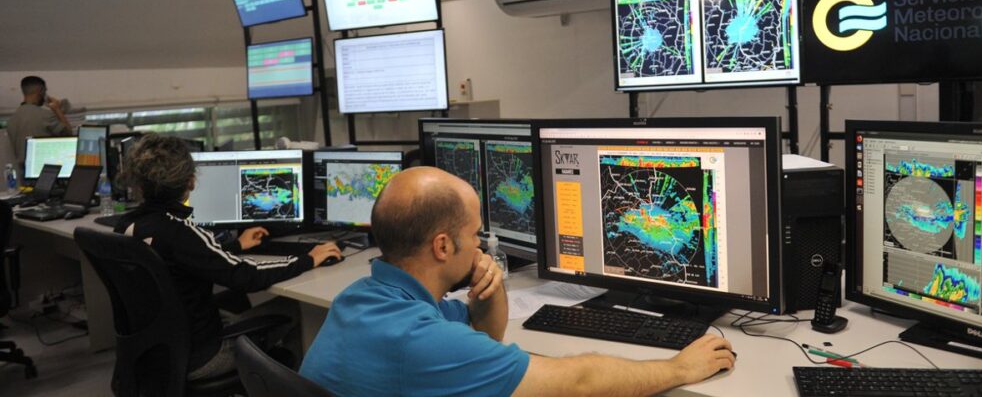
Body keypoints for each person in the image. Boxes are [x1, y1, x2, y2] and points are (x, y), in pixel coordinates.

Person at [300, 167, 735, 397]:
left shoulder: (361, 298)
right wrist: (679, 368)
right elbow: (580, 382)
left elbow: (481, 331)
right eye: (474, 235)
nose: (481, 247)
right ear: (442, 247)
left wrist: (491, 287)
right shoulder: (422, 341)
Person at [113, 133, 342, 380]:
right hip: (199, 355)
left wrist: (236, 245)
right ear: (190, 182)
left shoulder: (127, 226)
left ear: (139, 182)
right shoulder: (182, 232)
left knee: (236, 301)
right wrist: (308, 258)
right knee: (290, 308)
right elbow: (246, 276)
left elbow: (185, 258)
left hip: (153, 350)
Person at [7, 76, 73, 167]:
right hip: (42, 171)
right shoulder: (46, 116)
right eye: (45, 91)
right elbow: (69, 135)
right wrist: (57, 110)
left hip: (20, 173)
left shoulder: (12, 119)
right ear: (41, 91)